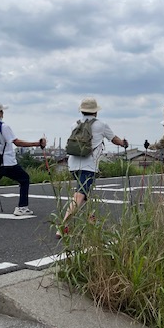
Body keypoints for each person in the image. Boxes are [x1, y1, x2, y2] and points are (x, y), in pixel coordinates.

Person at [58, 97, 128, 237]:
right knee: (80, 194)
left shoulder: (75, 124)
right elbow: (114, 139)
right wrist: (123, 143)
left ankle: (91, 220)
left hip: (73, 164)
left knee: (85, 193)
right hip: (88, 165)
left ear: (82, 111)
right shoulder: (101, 125)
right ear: (95, 111)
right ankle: (62, 226)